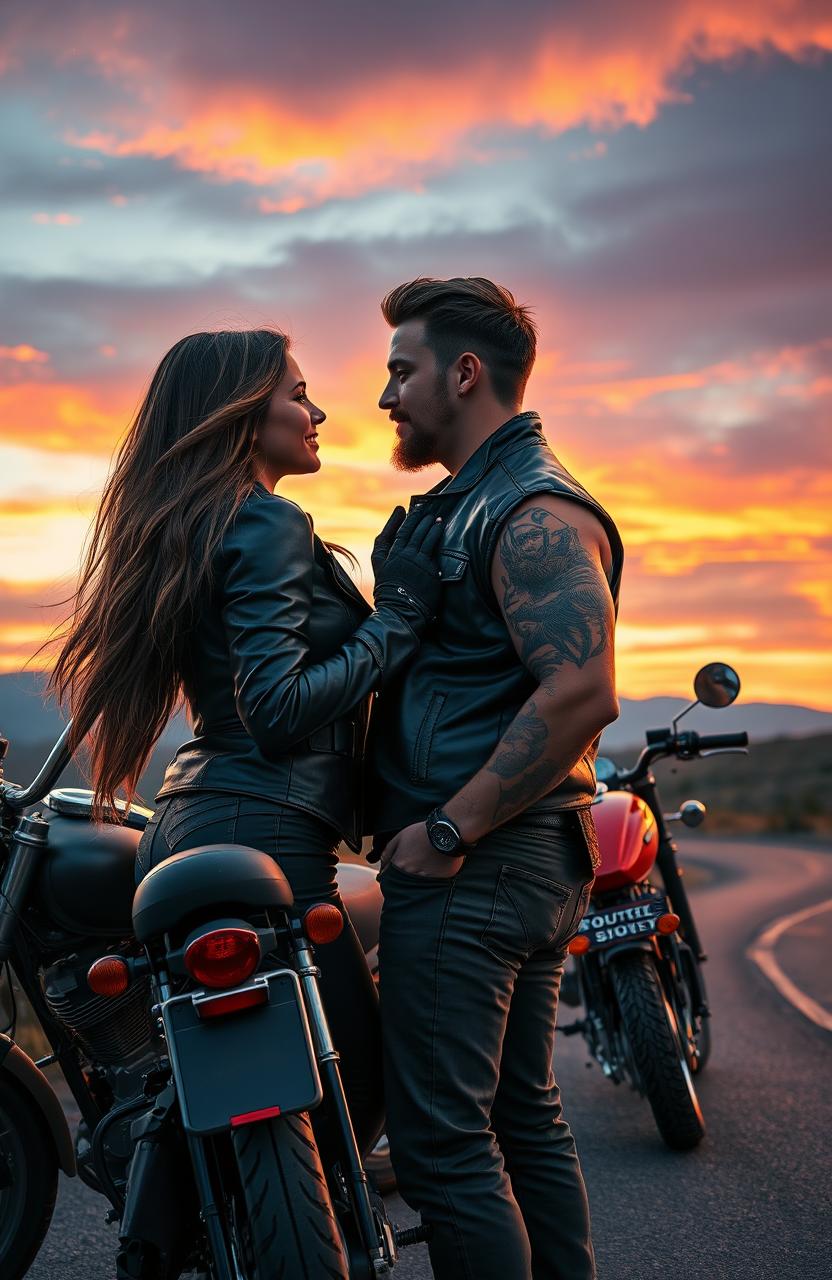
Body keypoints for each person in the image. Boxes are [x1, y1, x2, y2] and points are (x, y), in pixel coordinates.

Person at [48, 326, 443, 1160]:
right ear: (239, 412)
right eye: (298, 394)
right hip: (266, 831)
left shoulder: (190, 526)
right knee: (355, 1098)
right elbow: (276, 706)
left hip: (183, 826)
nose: (320, 411)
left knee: (223, 1099)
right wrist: (398, 622)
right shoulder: (267, 524)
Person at [366, 277, 624, 1279]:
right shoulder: (483, 500)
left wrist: (447, 830)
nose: (387, 396)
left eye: (401, 369)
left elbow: (581, 691)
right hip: (519, 859)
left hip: (477, 868)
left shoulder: (532, 509)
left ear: (463, 372)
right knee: (521, 1117)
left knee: (441, 1148)